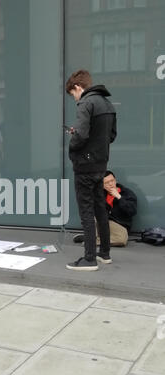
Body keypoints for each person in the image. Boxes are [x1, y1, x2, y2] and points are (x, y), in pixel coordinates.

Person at [65, 70, 117, 272]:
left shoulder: (86, 103)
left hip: (85, 167)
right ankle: (104, 253)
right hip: (100, 165)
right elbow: (111, 135)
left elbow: (81, 136)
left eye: (73, 94)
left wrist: (72, 145)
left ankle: (89, 259)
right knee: (100, 209)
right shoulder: (108, 104)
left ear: (78, 87)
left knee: (86, 213)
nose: (74, 98)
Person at [74, 171, 138, 247]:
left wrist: (119, 197)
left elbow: (132, 211)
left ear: (115, 180)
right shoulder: (100, 194)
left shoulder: (126, 193)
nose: (111, 184)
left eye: (112, 181)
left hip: (119, 225)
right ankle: (91, 238)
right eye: (107, 183)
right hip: (102, 222)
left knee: (122, 240)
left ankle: (91, 240)